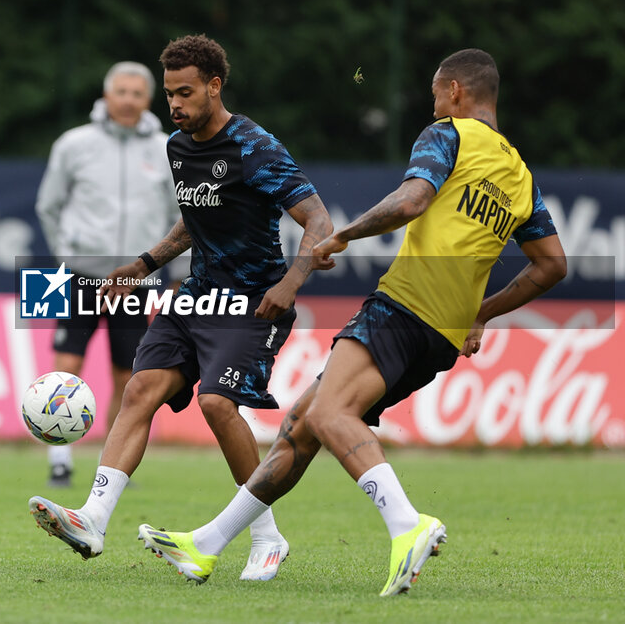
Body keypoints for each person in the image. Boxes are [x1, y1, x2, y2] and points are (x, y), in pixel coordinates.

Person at [136, 48, 567, 596]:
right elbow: (552, 265)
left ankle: (408, 525)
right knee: (302, 425)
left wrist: (345, 234)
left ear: (455, 90)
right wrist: (481, 311)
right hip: (442, 334)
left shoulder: (447, 134)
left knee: (332, 414)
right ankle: (207, 545)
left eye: (436, 93)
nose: (434, 104)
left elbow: (412, 201)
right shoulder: (520, 177)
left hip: (404, 305)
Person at [29, 34, 333, 582]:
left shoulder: (254, 147)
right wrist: (143, 265)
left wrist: (292, 281)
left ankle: (267, 538)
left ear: (215, 87)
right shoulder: (178, 146)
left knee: (216, 404)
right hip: (194, 294)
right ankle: (93, 519)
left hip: (252, 301)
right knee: (140, 389)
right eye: (169, 94)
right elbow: (194, 221)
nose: (174, 105)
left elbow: (318, 220)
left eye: (185, 93)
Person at [35, 61, 180, 487]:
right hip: (78, 270)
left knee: (128, 373)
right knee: (66, 364)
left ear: (148, 99)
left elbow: (180, 214)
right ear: (106, 95)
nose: (129, 100)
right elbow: (49, 206)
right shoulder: (73, 144)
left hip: (138, 276)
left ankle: (110, 461)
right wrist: (67, 252)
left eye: (137, 93)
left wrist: (176, 270)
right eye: (122, 92)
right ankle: (58, 458)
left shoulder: (166, 148)